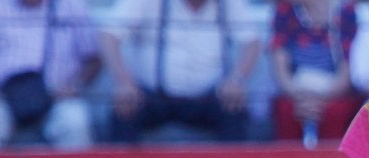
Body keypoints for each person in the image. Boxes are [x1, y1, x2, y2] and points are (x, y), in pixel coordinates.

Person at [101, 0, 263, 143]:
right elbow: (109, 36)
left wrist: (236, 80)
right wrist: (124, 81)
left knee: (234, 108)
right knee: (124, 109)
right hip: (154, 97)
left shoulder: (229, 3)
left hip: (210, 96)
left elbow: (252, 43)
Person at [0, 0, 101, 149]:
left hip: (57, 97)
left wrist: (76, 86)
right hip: (5, 97)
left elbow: (93, 59)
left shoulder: (73, 7)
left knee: (75, 121)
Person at [268, 0, 362, 145]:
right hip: (296, 90)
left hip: (334, 91)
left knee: (335, 112)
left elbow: (348, 68)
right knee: (286, 110)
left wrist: (321, 99)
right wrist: (300, 97)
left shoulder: (345, 12)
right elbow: (280, 67)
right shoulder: (284, 11)